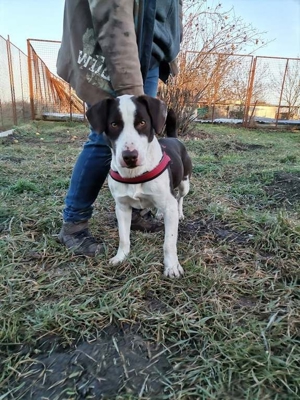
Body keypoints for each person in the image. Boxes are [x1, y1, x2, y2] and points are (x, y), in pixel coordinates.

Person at [56, 0, 183, 256]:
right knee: (104, 140)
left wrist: (169, 55)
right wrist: (129, 88)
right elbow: (112, 11)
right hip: (117, 51)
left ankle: (134, 210)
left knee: (137, 137)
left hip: (150, 55)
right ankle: (74, 223)